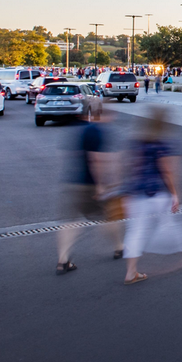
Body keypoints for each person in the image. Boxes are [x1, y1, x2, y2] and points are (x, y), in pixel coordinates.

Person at [121, 106, 182, 285]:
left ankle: (131, 272)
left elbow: (128, 164)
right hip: (157, 192)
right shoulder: (165, 142)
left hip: (136, 191)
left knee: (136, 231)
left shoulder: (138, 139)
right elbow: (167, 170)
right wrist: (175, 194)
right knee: (173, 223)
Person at [55, 104, 121, 274]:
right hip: (90, 184)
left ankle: (63, 260)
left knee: (70, 222)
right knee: (108, 217)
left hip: (72, 182)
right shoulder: (95, 130)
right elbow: (96, 160)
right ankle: (119, 247)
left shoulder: (76, 127)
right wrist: (101, 185)